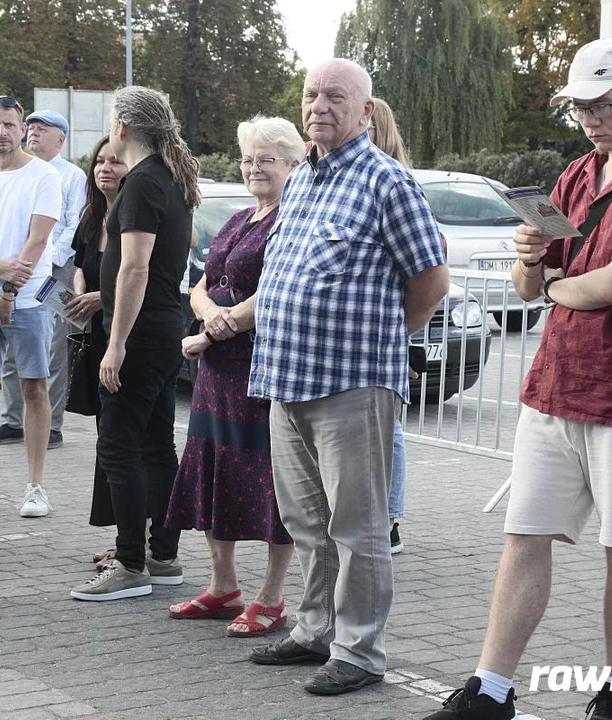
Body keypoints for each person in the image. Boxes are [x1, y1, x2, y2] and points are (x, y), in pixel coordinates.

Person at [421, 38, 612, 720]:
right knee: (525, 535)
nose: (588, 118)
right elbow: (532, 287)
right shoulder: (577, 174)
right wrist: (530, 260)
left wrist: (549, 283)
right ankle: (490, 688)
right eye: (578, 106)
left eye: (602, 105)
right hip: (558, 384)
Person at [248, 59, 449, 696]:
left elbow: (430, 282)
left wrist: (384, 342)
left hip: (352, 383)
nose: (319, 106)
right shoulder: (303, 177)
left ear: (366, 111)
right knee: (305, 521)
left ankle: (359, 651)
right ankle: (314, 630)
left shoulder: (388, 182)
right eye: (311, 95)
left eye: (336, 96)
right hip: (288, 378)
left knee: (358, 528)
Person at [165, 116, 303, 636]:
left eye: (266, 159)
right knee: (212, 471)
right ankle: (223, 586)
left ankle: (272, 596)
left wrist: (216, 329)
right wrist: (205, 313)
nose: (254, 168)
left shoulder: (291, 219)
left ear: (294, 164)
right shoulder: (241, 217)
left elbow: (275, 292)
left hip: (259, 369)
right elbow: (200, 281)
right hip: (216, 373)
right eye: (248, 158)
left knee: (269, 483)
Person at [69, 85, 200, 602]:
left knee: (120, 446)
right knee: (154, 443)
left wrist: (115, 342)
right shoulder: (166, 178)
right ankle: (162, 554)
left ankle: (130, 563)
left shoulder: (143, 183)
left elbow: (136, 266)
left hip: (142, 334)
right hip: (163, 328)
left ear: (121, 128)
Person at [0, 95, 62, 518]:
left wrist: (7, 292)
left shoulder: (44, 176)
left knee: (34, 386)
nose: (2, 132)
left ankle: (35, 486)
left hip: (30, 297)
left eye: (9, 125)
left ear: (23, 130)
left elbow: (37, 242)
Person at [0, 110, 87, 450]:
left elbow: (72, 225)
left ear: (60, 140)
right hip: (17, 268)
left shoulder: (72, 176)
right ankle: (11, 420)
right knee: (10, 340)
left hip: (54, 270)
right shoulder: (17, 171)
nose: (33, 133)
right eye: (31, 128)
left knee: (55, 346)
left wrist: (45, 261)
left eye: (42, 129)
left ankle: (52, 424)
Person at [63, 136, 128, 564]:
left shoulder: (136, 213)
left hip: (124, 335)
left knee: (127, 439)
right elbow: (80, 266)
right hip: (93, 334)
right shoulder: (92, 215)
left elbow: (142, 275)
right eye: (100, 161)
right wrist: (79, 289)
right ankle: (125, 535)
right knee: (108, 437)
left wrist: (103, 297)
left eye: (116, 161)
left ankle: (138, 537)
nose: (105, 168)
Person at [369, 96, 413, 555]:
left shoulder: (393, 182)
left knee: (391, 431)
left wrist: (403, 334)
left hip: (386, 331)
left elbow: (425, 274)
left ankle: (389, 518)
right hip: (387, 330)